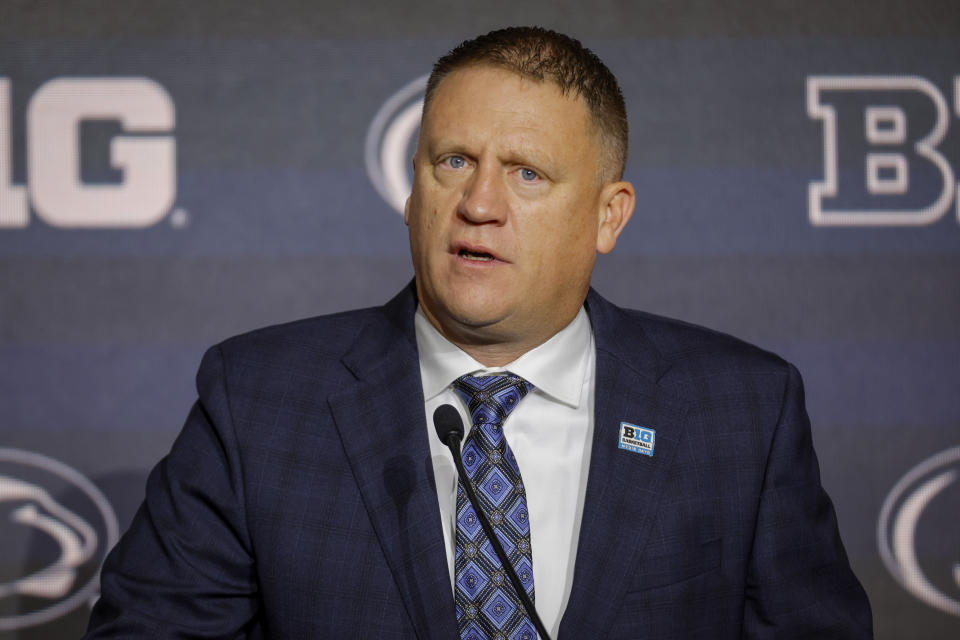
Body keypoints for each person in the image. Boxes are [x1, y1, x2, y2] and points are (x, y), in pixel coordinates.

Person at [85, 26, 873, 639]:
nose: (480, 203)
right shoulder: (259, 402)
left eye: (527, 173)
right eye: (454, 161)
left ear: (609, 215)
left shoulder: (740, 412)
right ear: (411, 193)